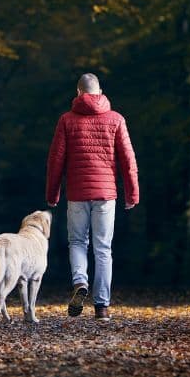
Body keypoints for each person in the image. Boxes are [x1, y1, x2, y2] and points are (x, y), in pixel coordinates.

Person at [45, 73, 139, 321]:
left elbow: (56, 161)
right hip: (106, 194)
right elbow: (128, 161)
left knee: (77, 242)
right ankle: (102, 307)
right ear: (100, 92)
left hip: (77, 193)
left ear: (78, 93)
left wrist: (52, 194)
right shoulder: (116, 119)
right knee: (103, 249)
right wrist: (132, 193)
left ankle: (79, 282)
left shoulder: (66, 120)